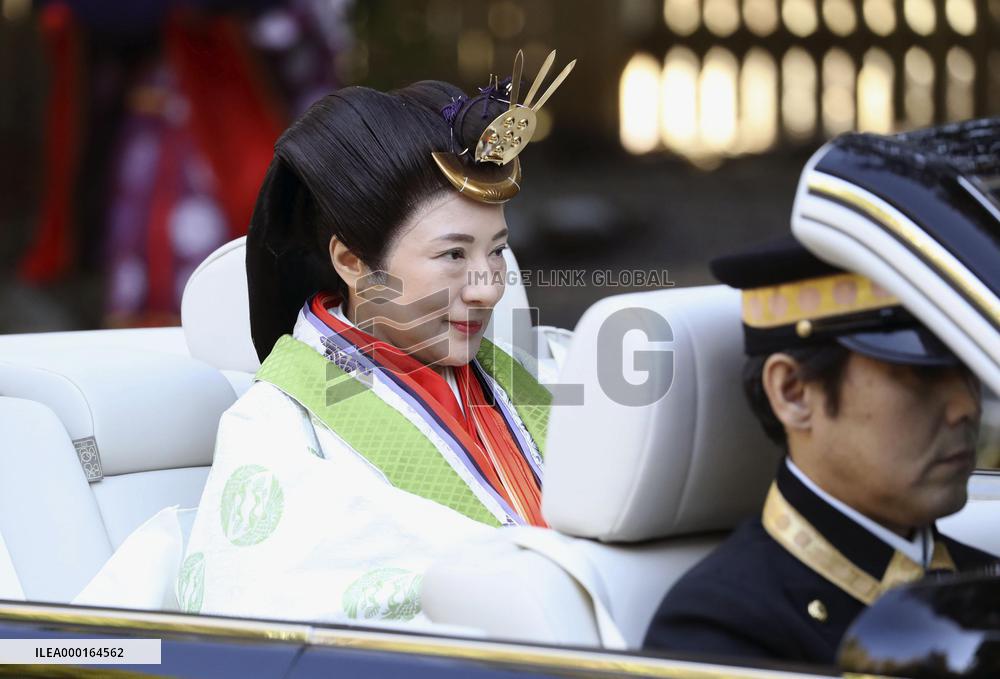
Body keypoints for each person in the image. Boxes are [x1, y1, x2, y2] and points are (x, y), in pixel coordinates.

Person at [177, 51, 574, 624]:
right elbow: (254, 602)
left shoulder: (529, 376)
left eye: (498, 250)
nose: (488, 288)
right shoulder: (280, 424)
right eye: (453, 254)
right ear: (354, 261)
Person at [643, 234, 998, 664]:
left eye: (968, 369)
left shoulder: (981, 580)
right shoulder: (720, 630)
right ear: (793, 394)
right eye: (919, 376)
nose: (967, 407)